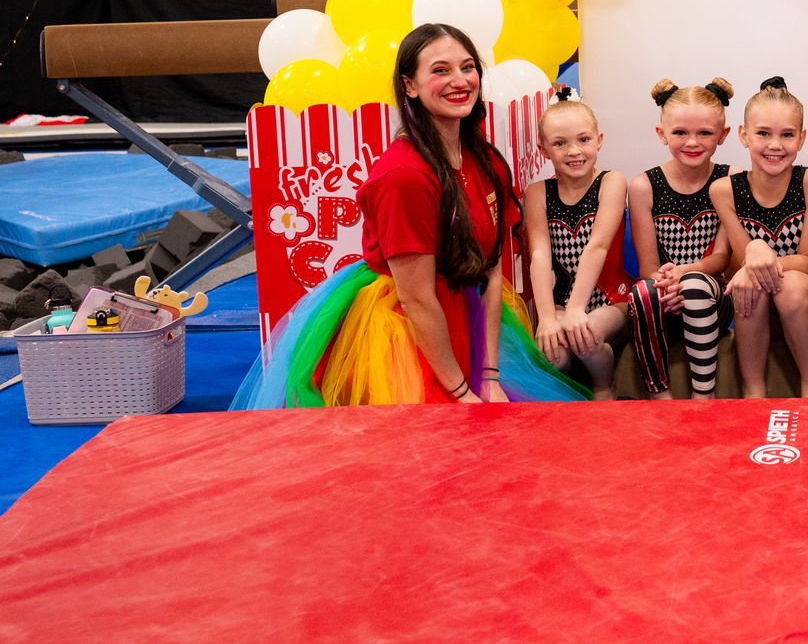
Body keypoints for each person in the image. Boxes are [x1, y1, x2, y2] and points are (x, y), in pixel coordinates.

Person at [231, 24, 586, 408]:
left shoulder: (484, 161)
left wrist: (489, 374)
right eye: (440, 70)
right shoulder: (404, 176)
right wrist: (462, 392)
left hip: (468, 322)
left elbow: (491, 269)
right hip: (407, 333)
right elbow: (417, 299)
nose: (460, 80)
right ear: (410, 86)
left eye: (468, 67)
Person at [709, 77, 808, 398]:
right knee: (751, 287)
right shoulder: (725, 190)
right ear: (743, 135)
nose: (775, 145)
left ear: (802, 137)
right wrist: (755, 248)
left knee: (788, 287)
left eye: (787, 135)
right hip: (760, 300)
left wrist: (759, 258)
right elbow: (746, 261)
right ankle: (753, 392)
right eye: (763, 133)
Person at [626, 78, 734, 399]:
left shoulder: (730, 179)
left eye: (705, 133)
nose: (692, 142)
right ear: (662, 134)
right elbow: (648, 266)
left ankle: (704, 396)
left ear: (723, 135)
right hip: (665, 291)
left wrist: (684, 275)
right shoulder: (645, 185)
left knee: (695, 286)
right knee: (641, 293)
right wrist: (667, 285)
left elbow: (722, 258)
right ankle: (661, 394)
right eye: (680, 133)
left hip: (713, 294)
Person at [523, 91, 627, 400]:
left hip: (612, 299)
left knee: (586, 333)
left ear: (599, 139)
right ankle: (570, 397)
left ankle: (604, 387)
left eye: (583, 140)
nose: (574, 151)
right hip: (563, 298)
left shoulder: (611, 182)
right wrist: (546, 318)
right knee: (553, 351)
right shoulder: (537, 193)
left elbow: (598, 246)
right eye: (560, 143)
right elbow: (539, 254)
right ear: (543, 150)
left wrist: (577, 310)